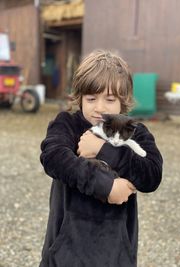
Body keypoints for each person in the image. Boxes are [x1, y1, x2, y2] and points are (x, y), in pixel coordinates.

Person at [39, 50, 163, 267]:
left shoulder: (135, 131)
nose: (99, 108)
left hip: (115, 255)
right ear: (79, 98)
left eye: (110, 99)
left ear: (123, 102)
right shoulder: (67, 124)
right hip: (65, 254)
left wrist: (103, 150)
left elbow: (152, 174)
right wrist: (107, 187)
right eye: (91, 98)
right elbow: (53, 157)